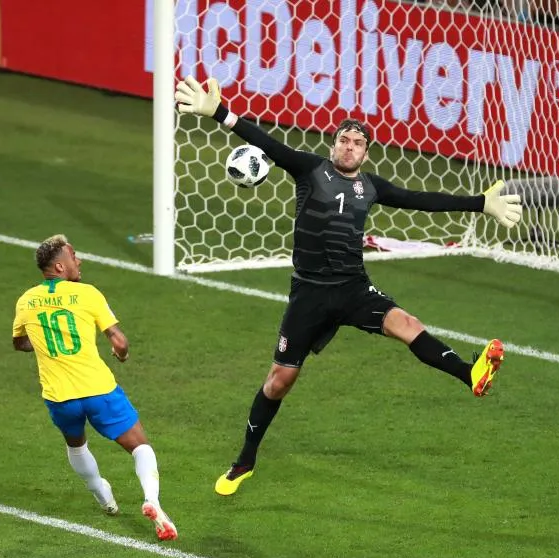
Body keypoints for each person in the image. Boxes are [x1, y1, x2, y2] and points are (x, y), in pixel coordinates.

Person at [174, 76, 523, 496]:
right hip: (310, 294)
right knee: (278, 382)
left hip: (353, 289)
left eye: (358, 142)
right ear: (333, 144)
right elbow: (266, 143)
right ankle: (245, 460)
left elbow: (422, 199)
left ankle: (472, 375)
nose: (350, 146)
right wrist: (219, 114)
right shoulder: (309, 170)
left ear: (366, 152)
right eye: (344, 140)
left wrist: (480, 203)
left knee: (407, 324)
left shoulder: (371, 187)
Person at [11, 234, 177, 540]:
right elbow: (120, 341)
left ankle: (103, 495)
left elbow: (20, 343)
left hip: (60, 396)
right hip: (98, 389)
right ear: (61, 266)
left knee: (76, 444)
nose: (80, 261)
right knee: (140, 446)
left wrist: (47, 340)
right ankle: (151, 499)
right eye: (74, 256)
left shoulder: (26, 300)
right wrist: (122, 355)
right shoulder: (87, 294)